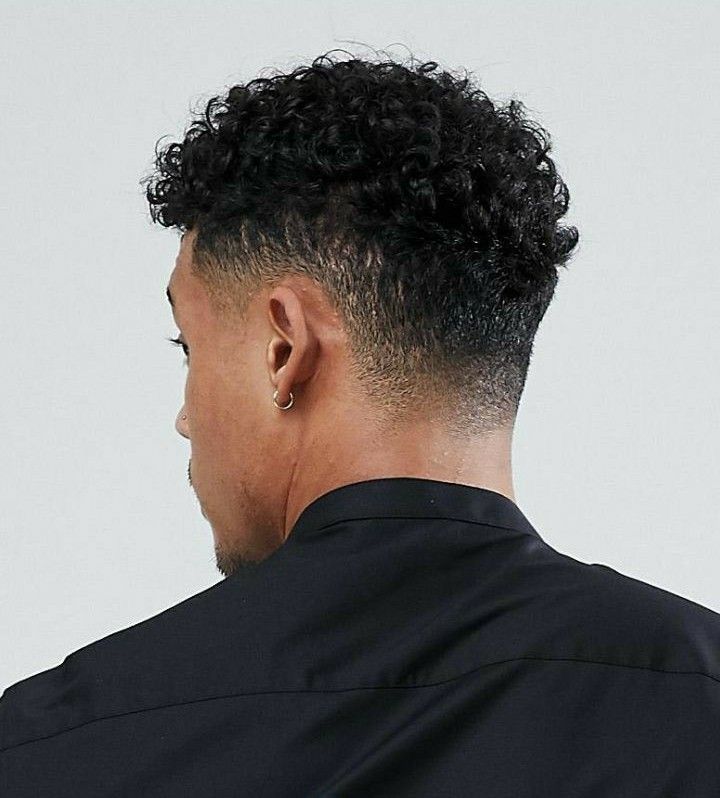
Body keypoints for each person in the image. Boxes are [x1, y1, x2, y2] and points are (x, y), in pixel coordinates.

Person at [1, 49, 718, 796]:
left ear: (285, 349)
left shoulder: (54, 747)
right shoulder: (699, 697)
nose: (186, 417)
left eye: (191, 346)